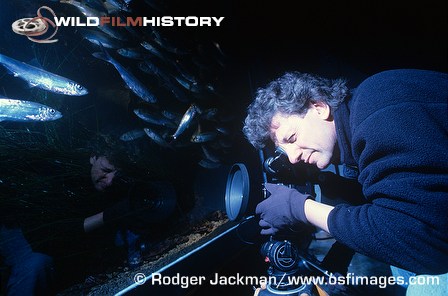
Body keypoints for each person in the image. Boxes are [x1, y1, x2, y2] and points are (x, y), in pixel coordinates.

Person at [243, 69, 448, 293]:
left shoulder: (379, 108)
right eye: (285, 150)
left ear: (318, 107)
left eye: (292, 138)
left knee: (427, 288)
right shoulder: (358, 120)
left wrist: (301, 208)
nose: (293, 157)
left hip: (436, 249)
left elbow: (428, 244)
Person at [0, 134, 177, 295]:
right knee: (36, 265)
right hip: (23, 231)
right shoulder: (58, 172)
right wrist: (108, 215)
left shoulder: (113, 185)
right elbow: (46, 236)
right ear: (93, 157)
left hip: (70, 238)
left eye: (116, 176)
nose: (109, 181)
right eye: (106, 170)